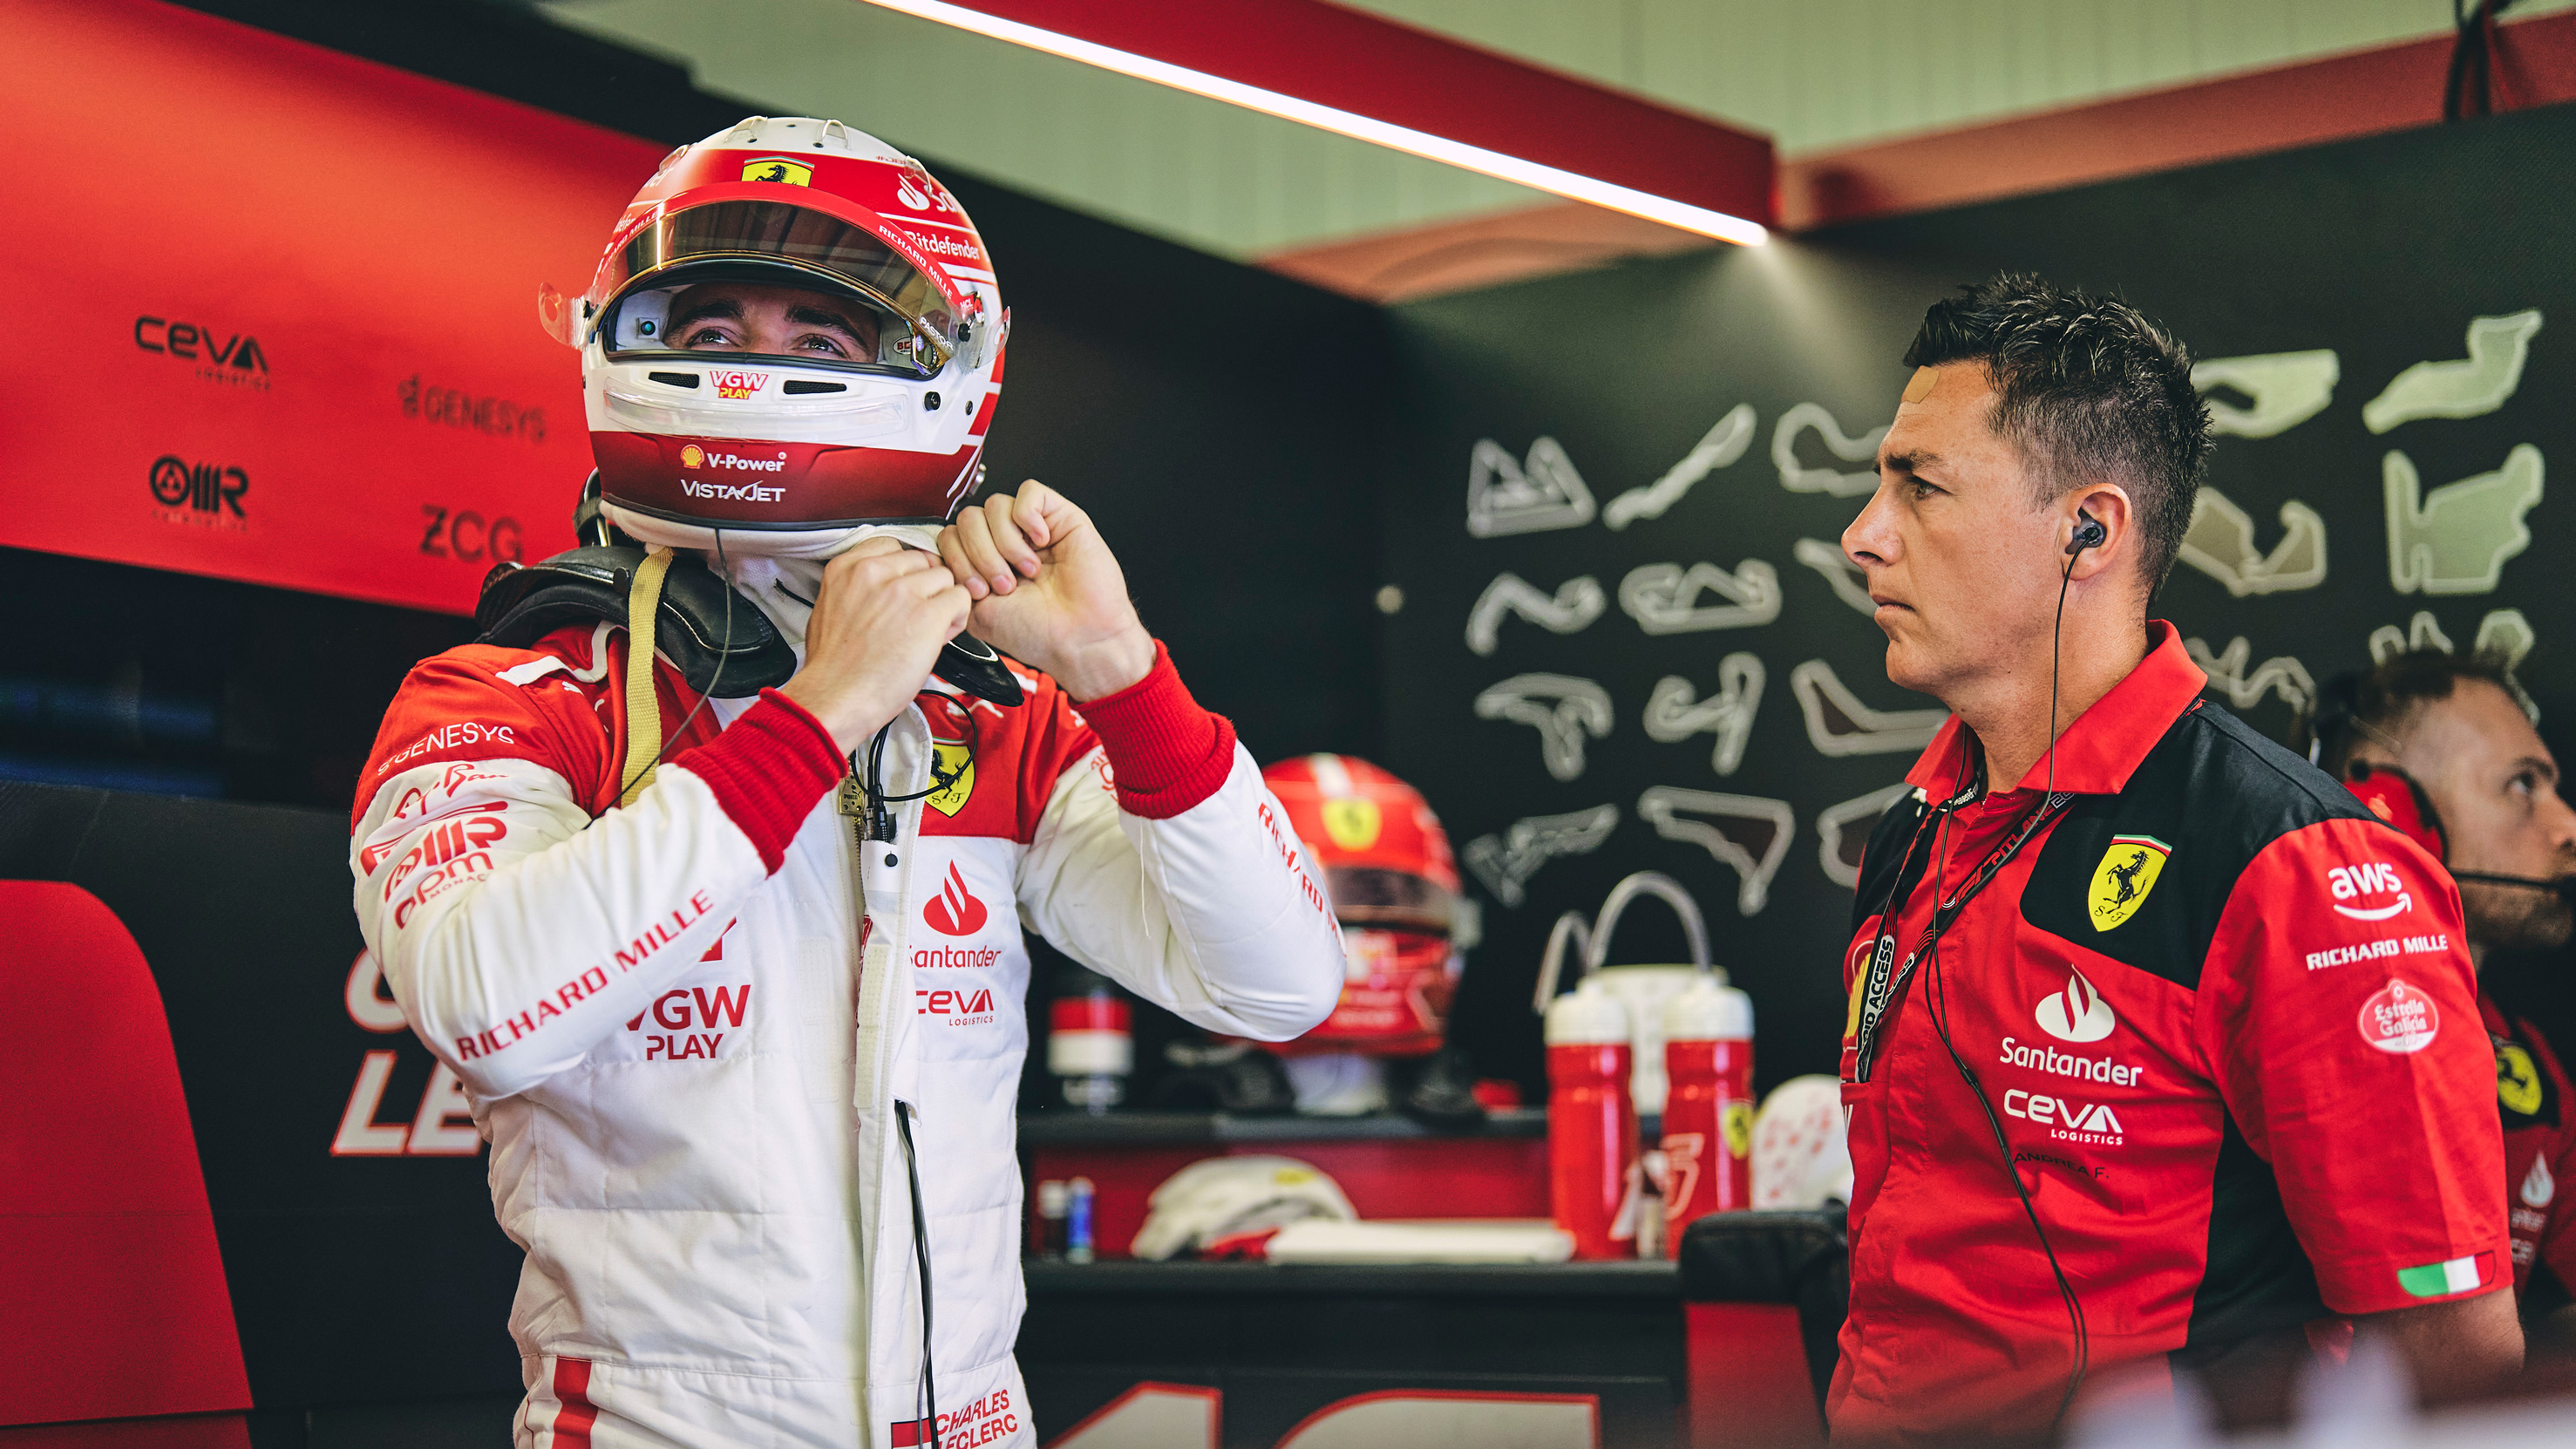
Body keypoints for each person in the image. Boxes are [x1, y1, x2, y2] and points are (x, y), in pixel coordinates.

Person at [349, 117, 1342, 1449]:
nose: (757, 372)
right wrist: (819, 715)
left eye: (819, 343)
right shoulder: (510, 691)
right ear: (614, 341)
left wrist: (1118, 672)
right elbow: (489, 1009)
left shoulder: (998, 720)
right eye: (709, 332)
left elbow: (1277, 986)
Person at [1832, 274, 2515, 1439]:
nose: (1861, 535)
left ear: (2085, 530)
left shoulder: (2295, 865)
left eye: (1920, 487)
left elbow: (2450, 1355)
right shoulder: (1921, 824)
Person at [2301, 650, 2576, 1348]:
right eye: (2521, 786)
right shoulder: (2298, 1041)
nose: (2566, 826)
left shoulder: (2528, 1064)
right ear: (2388, 812)